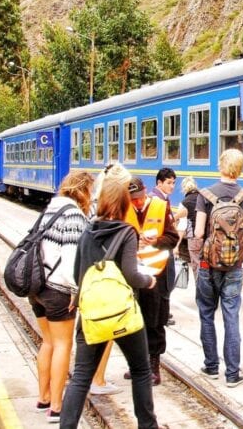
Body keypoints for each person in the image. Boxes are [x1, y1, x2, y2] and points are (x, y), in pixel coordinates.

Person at [60, 180, 159, 429]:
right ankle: (147, 425)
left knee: (81, 376)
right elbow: (131, 275)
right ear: (125, 203)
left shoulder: (87, 231)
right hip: (122, 314)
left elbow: (77, 275)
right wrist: (148, 281)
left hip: (92, 315)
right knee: (140, 370)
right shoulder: (127, 232)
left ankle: (67, 426)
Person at [28, 171, 94, 424]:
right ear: (83, 190)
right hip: (58, 289)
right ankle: (56, 406)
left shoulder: (51, 207)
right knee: (63, 345)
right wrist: (75, 291)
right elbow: (71, 257)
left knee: (48, 342)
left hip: (38, 287)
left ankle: (43, 396)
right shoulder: (74, 214)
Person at [194, 148, 243, 388]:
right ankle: (233, 374)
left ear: (220, 165)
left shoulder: (205, 195)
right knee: (231, 317)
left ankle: (211, 366)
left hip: (207, 265)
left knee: (206, 313)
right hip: (234, 267)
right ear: (241, 169)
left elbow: (200, 232)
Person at [123, 176, 179, 385]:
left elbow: (173, 238)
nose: (136, 202)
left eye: (138, 197)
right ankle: (136, 364)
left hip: (157, 273)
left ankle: (153, 367)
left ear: (145, 191)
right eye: (132, 199)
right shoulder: (123, 209)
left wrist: (157, 241)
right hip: (132, 273)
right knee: (132, 320)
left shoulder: (160, 207)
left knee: (155, 320)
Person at [87, 163, 132, 397]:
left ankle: (91, 376)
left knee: (94, 331)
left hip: (90, 277)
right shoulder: (106, 210)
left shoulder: (93, 204)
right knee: (107, 329)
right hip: (103, 278)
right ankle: (98, 379)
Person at [149, 167, 177, 326]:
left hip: (161, 247)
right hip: (161, 248)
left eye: (173, 183)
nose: (172, 186)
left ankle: (162, 314)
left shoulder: (162, 198)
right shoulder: (157, 200)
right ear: (159, 183)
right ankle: (162, 316)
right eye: (168, 183)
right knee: (165, 283)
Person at [175, 176, 200, 279]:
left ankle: (200, 291)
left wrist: (176, 245)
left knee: (196, 265)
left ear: (184, 189)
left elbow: (182, 225)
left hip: (193, 237)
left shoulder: (185, 203)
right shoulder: (203, 198)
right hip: (207, 236)